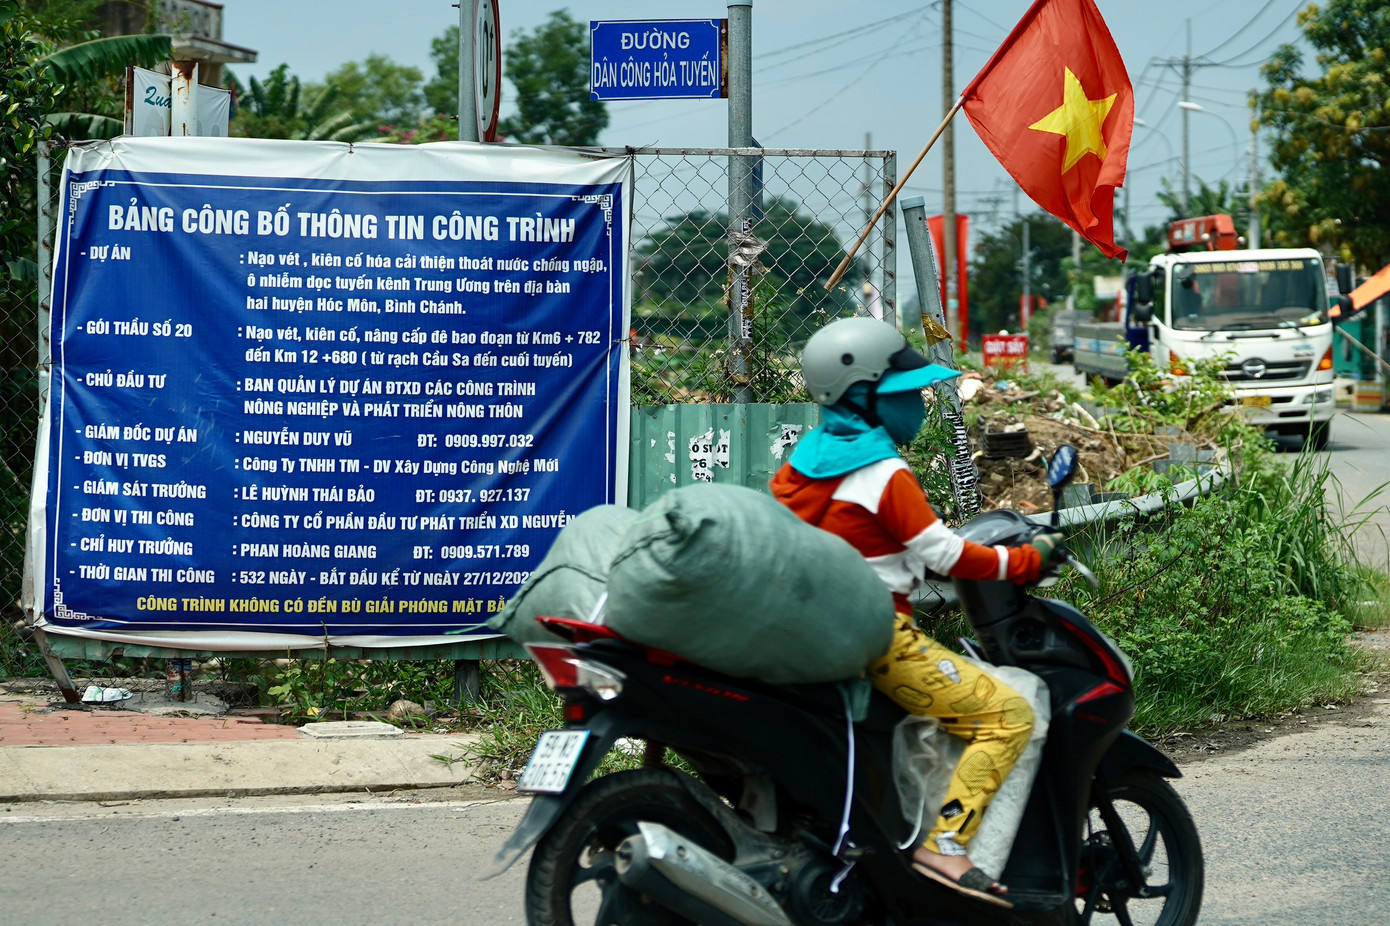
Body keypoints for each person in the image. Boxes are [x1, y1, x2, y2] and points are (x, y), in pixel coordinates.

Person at [770, 317, 1064, 909]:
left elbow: (855, 540)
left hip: (806, 629)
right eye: (906, 393)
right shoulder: (884, 470)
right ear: (861, 394)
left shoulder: (802, 463)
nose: (919, 403)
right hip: (879, 637)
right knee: (1007, 715)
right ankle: (946, 846)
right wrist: (1024, 561)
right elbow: (944, 552)